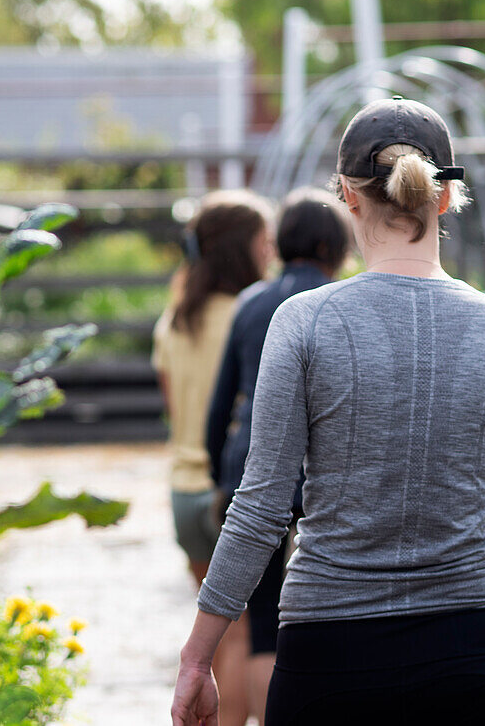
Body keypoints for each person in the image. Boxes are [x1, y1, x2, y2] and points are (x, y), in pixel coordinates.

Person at [171, 97, 485, 726]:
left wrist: (198, 657)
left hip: (330, 661)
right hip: (484, 660)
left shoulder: (303, 324)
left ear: (347, 197)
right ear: (444, 198)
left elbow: (261, 508)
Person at [204, 187, 352, 725]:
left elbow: (220, 406)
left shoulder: (251, 303)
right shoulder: (342, 303)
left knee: (262, 622)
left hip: (252, 471)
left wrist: (223, 473)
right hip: (321, 482)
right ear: (335, 243)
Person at [153, 189, 274, 726]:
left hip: (181, 490)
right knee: (244, 632)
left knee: (211, 627)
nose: (270, 252)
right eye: (264, 241)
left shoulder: (174, 321)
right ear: (242, 248)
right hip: (230, 495)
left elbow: (176, 409)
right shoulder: (254, 317)